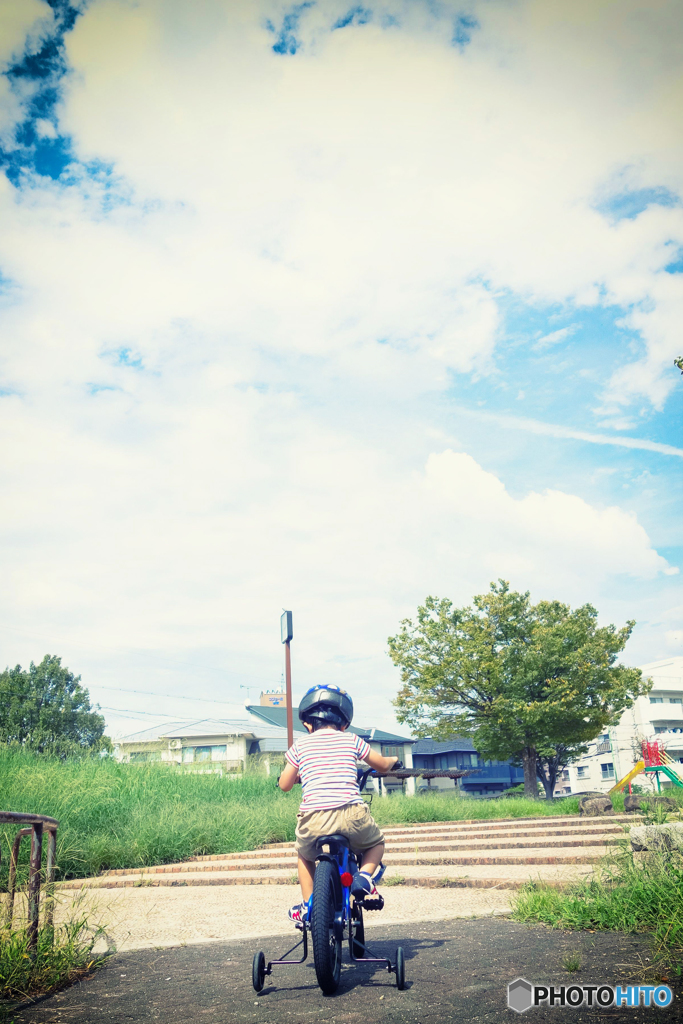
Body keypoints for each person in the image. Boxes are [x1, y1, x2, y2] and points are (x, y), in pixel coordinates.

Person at [278, 683, 400, 923]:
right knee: (376, 843)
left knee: (304, 856)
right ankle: (364, 877)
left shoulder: (300, 746)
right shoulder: (351, 740)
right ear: (344, 723)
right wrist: (394, 760)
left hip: (313, 820)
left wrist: (299, 775)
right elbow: (383, 765)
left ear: (307, 723)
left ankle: (306, 907)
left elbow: (285, 784)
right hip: (352, 815)